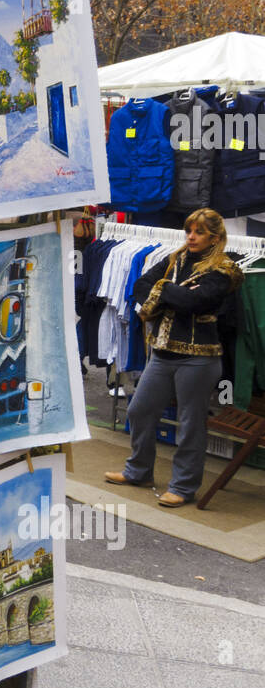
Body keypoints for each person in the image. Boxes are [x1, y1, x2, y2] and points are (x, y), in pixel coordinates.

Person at [105, 208, 243, 506]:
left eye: (199, 232)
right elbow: (140, 286)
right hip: (163, 353)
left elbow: (194, 302)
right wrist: (171, 291)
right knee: (140, 410)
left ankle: (183, 486)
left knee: (190, 423)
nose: (191, 237)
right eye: (189, 230)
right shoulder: (174, 259)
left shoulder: (223, 269)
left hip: (199, 358)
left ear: (214, 237)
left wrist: (164, 291)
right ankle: (139, 471)